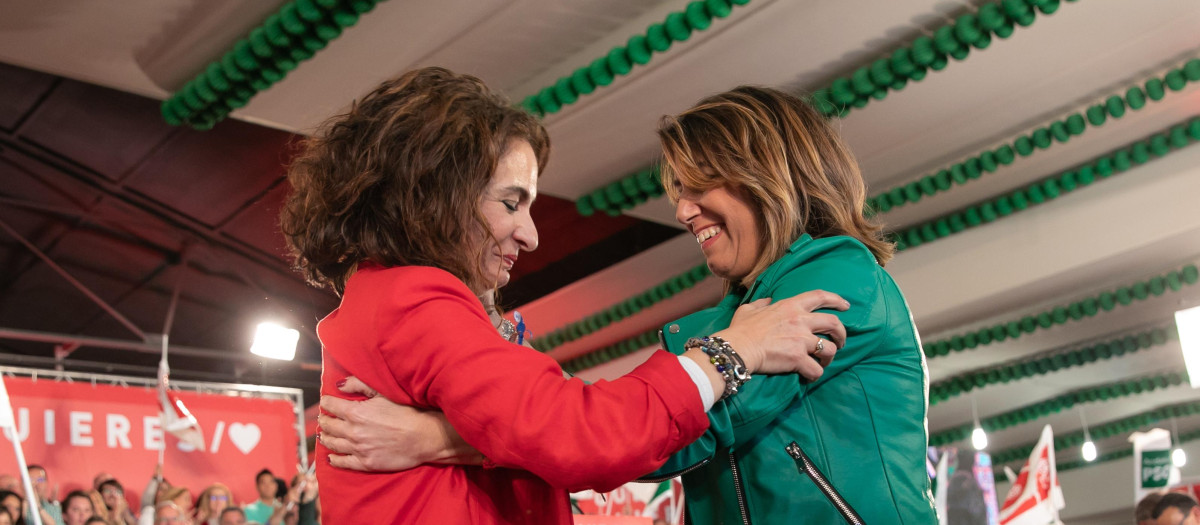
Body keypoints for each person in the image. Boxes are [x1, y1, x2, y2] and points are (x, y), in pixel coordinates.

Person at [320, 85, 935, 524]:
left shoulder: (838, 277)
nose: (682, 208)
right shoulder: (749, 315)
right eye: (678, 190)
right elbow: (600, 422)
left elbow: (674, 433)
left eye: (698, 184)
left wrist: (447, 438)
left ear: (771, 175)